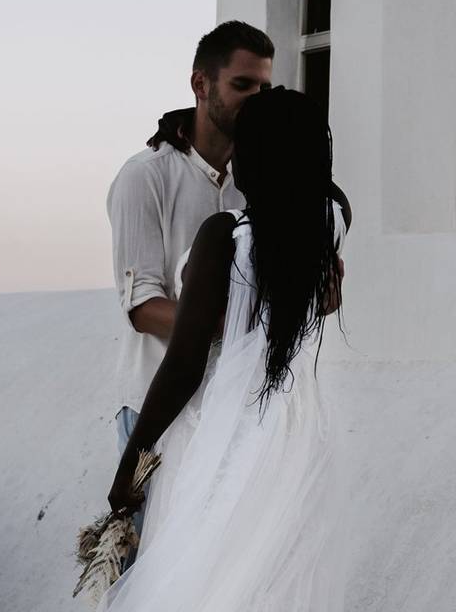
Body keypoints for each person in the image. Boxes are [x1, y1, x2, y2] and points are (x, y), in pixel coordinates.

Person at [99, 87, 353, 612]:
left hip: (223, 428)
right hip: (297, 426)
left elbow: (185, 364)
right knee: (273, 574)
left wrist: (132, 461)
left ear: (254, 155)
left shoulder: (224, 237)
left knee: (203, 578)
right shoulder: (330, 218)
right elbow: (322, 205)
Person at [106, 21, 274, 555]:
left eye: (265, 89)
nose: (255, 100)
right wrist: (234, 323)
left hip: (231, 408)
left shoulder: (264, 182)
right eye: (242, 86)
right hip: (155, 403)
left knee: (215, 561)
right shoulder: (145, 177)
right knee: (148, 565)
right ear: (201, 85)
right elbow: (142, 306)